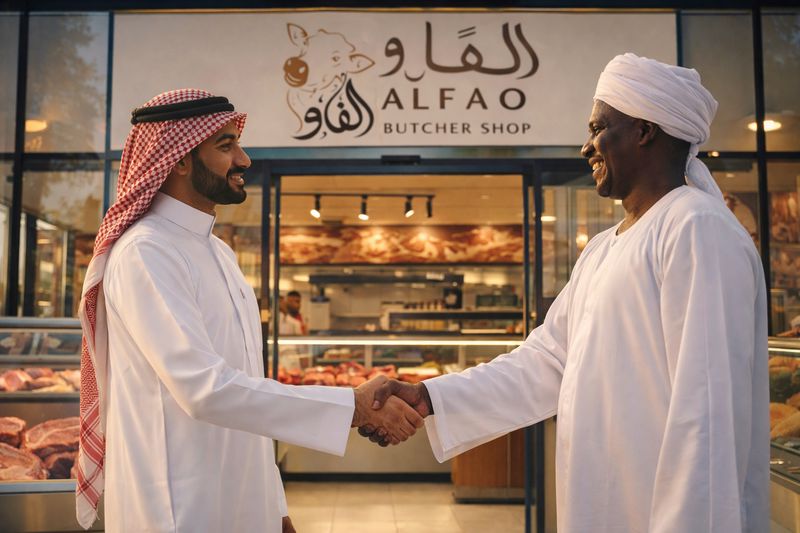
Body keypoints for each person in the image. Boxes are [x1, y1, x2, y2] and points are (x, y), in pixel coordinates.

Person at [366, 53, 769, 533]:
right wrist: (428, 396)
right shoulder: (602, 248)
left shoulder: (696, 227)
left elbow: (706, 416)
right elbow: (546, 362)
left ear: (645, 131)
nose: (586, 147)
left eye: (599, 128)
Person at [74, 89, 423, 533]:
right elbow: (206, 390)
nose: (244, 159)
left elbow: (246, 388)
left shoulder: (220, 254)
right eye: (226, 146)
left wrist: (274, 505)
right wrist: (352, 406)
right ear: (180, 160)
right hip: (178, 507)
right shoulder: (146, 252)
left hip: (246, 502)